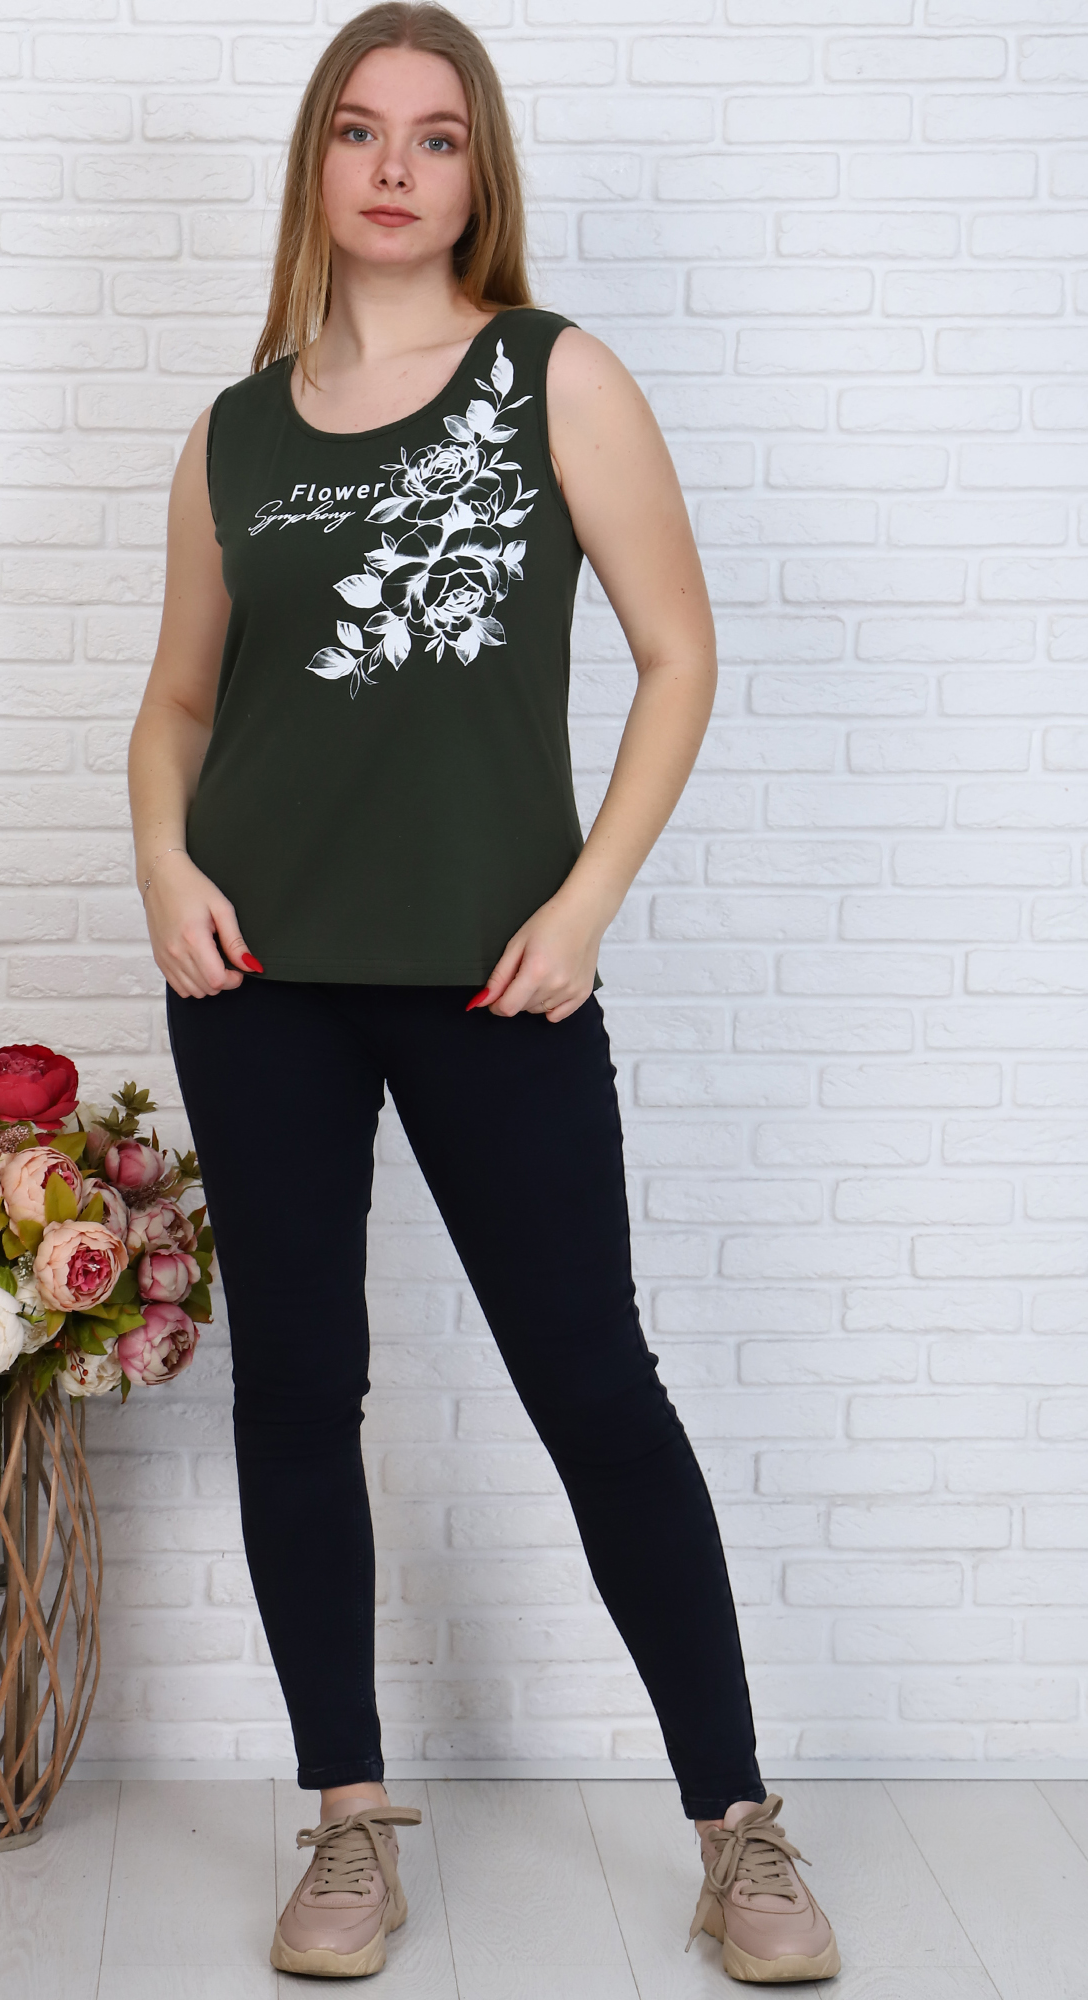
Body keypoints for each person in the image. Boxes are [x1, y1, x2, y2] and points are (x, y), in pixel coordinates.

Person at [128, 2, 840, 1983]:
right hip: (255, 977)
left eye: (434, 137)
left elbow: (679, 653)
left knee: (592, 1384)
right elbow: (176, 702)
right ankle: (347, 1820)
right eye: (358, 131)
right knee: (298, 1390)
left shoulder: (552, 376)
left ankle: (737, 1828)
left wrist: (588, 900)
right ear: (315, 163)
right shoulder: (235, 431)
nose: (392, 168)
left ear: (477, 172)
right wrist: (163, 857)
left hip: (497, 983)